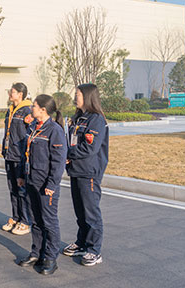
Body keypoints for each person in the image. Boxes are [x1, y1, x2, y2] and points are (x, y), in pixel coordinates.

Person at [16, 94, 67, 275]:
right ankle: (37, 252)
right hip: (31, 180)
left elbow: (58, 161)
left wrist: (52, 184)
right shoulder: (32, 127)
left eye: (34, 106)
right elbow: (25, 153)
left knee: (49, 221)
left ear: (43, 110)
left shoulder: (54, 130)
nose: (32, 108)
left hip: (45, 183)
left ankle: (50, 257)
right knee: (35, 220)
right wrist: (21, 174)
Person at [62, 83, 108, 267]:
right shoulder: (78, 118)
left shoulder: (96, 120)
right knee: (80, 212)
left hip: (88, 172)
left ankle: (94, 250)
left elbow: (90, 147)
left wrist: (67, 153)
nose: (75, 97)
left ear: (88, 97)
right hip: (76, 170)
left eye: (78, 94)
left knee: (91, 213)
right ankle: (81, 243)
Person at [1, 83, 33, 236]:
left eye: (12, 92)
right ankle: (16, 216)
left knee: (22, 189)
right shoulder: (10, 110)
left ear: (20, 94)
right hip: (9, 153)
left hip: (20, 155)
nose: (10, 94)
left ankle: (26, 220)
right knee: (12, 188)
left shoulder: (27, 110)